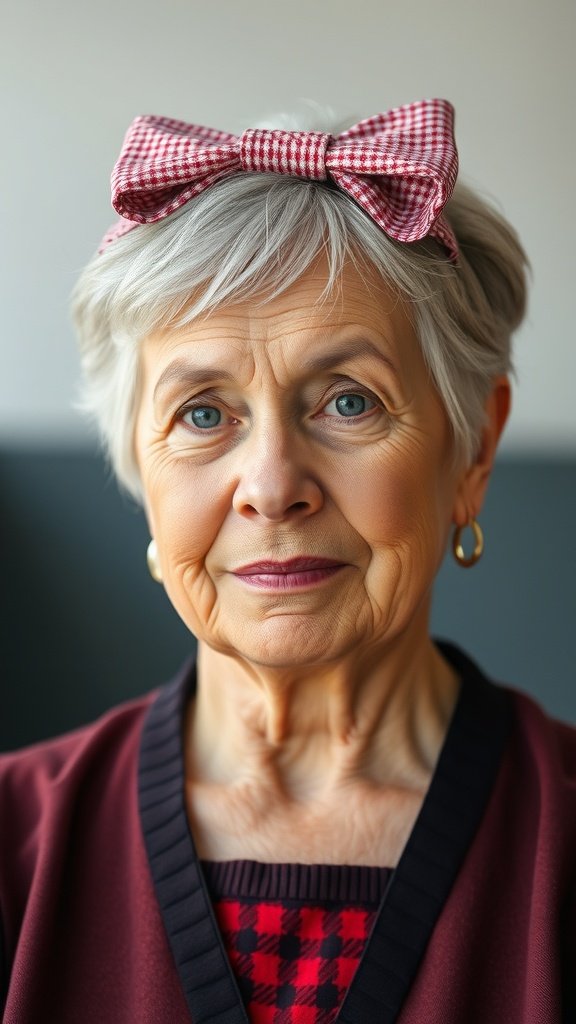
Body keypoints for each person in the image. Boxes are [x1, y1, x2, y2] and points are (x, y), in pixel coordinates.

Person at [1, 99, 574, 1024]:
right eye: (202, 414)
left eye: (348, 402)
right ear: (139, 470)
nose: (271, 485)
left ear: (472, 451)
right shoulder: (12, 843)